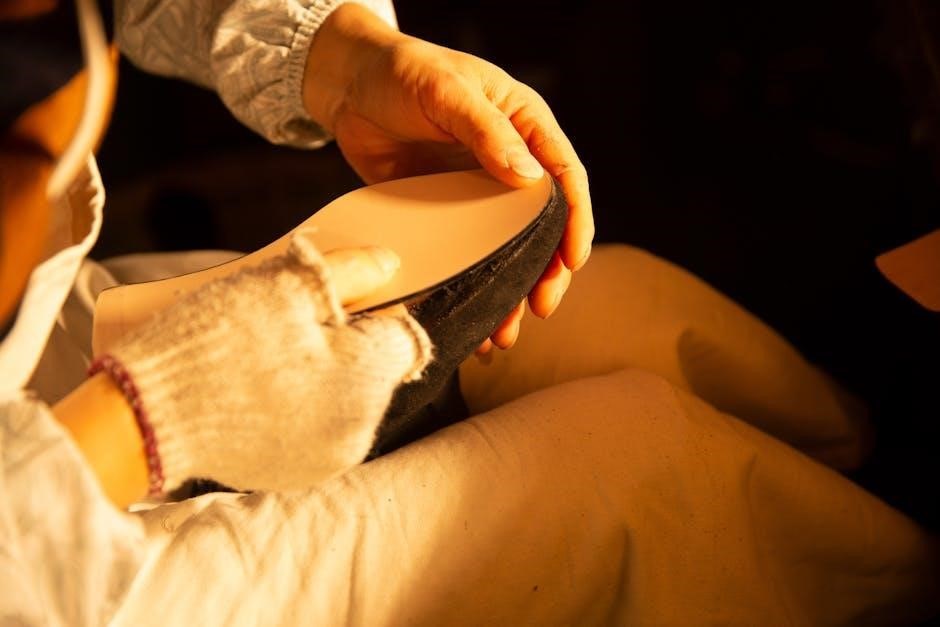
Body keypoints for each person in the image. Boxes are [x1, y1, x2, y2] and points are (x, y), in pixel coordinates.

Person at [1, 0, 939, 624]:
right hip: (40, 558)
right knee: (634, 468)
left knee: (623, 303)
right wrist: (147, 412)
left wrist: (345, 55)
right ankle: (909, 581)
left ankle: (863, 464)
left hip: (28, 336)